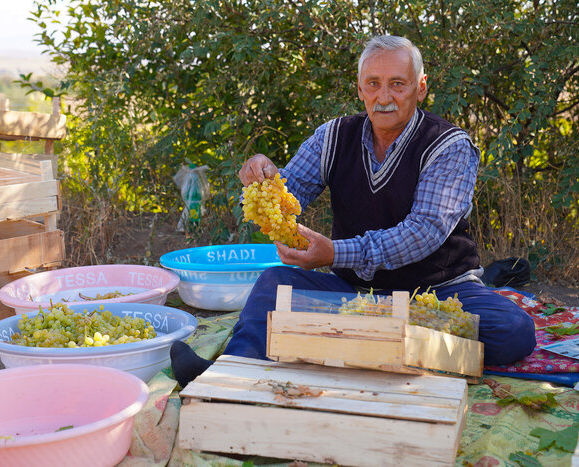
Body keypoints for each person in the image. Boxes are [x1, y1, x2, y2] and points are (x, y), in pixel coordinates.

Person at [170, 35, 536, 387]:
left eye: (398, 84)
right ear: (360, 89)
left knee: (513, 331)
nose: (384, 97)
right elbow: (288, 189)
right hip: (354, 292)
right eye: (373, 84)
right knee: (273, 284)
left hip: (439, 292)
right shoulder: (334, 136)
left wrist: (334, 252)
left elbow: (423, 232)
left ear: (421, 88)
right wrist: (262, 179)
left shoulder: (448, 145)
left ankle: (358, 338)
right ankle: (233, 372)